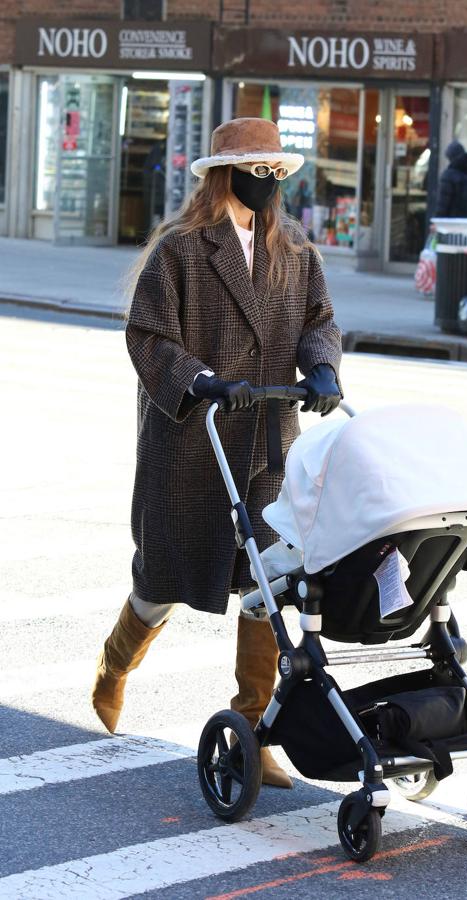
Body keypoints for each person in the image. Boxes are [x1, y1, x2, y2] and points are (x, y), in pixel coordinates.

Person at [91, 117, 343, 789]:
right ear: (222, 175)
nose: (268, 186)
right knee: (162, 585)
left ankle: (254, 728)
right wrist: (200, 380)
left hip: (265, 440)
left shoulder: (295, 252)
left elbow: (319, 323)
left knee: (267, 583)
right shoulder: (180, 251)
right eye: (256, 173)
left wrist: (321, 368)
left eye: (276, 175)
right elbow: (147, 338)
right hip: (191, 439)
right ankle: (115, 664)